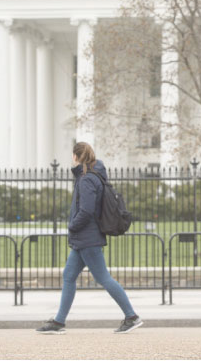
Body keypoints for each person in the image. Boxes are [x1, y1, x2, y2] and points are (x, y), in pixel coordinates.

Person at [37, 142, 142, 334]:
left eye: (72, 155)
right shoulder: (93, 176)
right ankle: (59, 321)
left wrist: (72, 226)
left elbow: (86, 211)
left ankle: (131, 316)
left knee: (103, 278)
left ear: (76, 157)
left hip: (87, 237)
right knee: (68, 276)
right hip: (84, 238)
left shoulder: (86, 179)